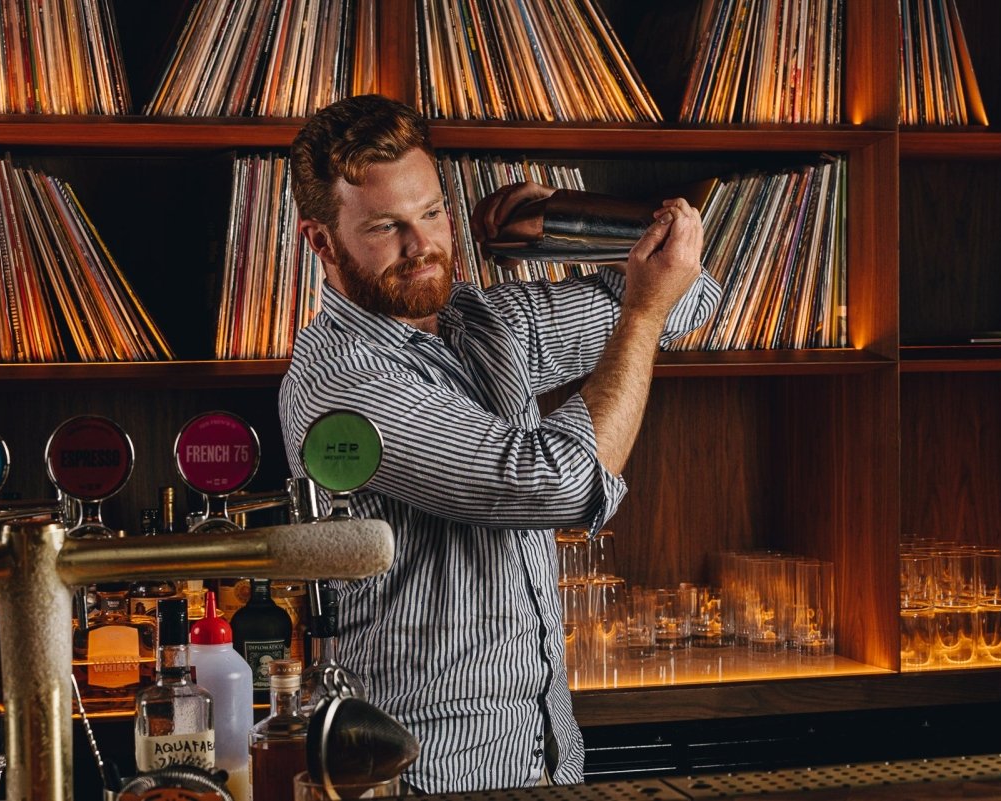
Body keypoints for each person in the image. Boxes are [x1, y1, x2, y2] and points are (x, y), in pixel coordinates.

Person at [278, 94, 721, 794]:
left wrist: (561, 220)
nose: (421, 245)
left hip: (544, 759)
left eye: (431, 214)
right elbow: (559, 486)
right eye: (387, 227)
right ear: (321, 242)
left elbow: (691, 297)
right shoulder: (342, 384)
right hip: (427, 771)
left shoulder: (481, 323)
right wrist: (641, 308)